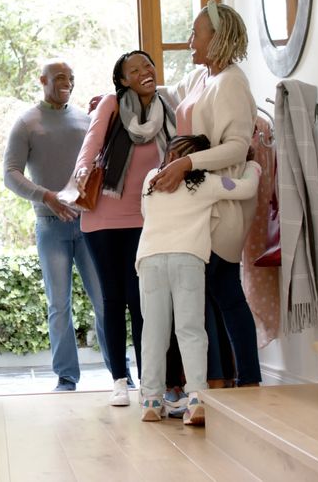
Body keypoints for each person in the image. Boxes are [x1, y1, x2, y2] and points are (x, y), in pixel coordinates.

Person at [152, 0, 263, 388]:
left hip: (224, 201)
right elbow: (171, 94)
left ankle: (229, 382)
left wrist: (186, 164)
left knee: (217, 290)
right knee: (216, 291)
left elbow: (236, 146)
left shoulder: (232, 81)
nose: (189, 41)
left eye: (196, 34)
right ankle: (228, 382)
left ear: (218, 38)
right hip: (200, 202)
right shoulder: (203, 78)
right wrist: (121, 97)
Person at [74, 50, 176, 406]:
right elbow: (92, 142)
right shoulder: (111, 105)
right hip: (102, 217)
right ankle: (119, 379)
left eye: (147, 65)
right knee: (114, 298)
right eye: (134, 69)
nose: (145, 71)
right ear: (122, 80)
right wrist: (82, 171)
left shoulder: (168, 108)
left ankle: (151, 380)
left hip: (146, 218)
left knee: (142, 299)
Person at [136, 134, 261, 425]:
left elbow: (145, 214)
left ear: (168, 157)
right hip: (188, 259)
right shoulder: (206, 183)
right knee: (190, 330)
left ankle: (152, 401)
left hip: (151, 260)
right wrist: (253, 164)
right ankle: (196, 399)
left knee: (153, 332)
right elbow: (246, 188)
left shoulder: (150, 180)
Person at [3, 58, 111, 392]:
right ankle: (66, 377)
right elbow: (10, 174)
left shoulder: (85, 119)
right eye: (60, 77)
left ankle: (120, 372)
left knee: (105, 299)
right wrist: (46, 196)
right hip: (50, 227)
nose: (67, 82)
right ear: (43, 80)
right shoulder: (27, 123)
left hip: (90, 225)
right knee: (58, 304)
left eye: (71, 77)